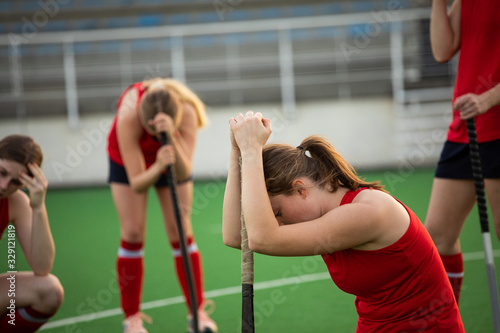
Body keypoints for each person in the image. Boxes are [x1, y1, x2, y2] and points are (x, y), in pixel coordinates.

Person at [223, 111, 465, 332]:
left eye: (277, 214)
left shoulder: (367, 212)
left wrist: (252, 150)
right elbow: (236, 236)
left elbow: (263, 239)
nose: (279, 224)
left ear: (300, 190)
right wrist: (238, 154)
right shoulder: (330, 213)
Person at [106, 77, 217, 333]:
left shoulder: (186, 111)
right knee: (132, 233)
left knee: (180, 231)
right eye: (152, 130)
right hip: (127, 162)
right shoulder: (129, 116)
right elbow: (137, 183)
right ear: (144, 122)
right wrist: (156, 166)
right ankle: (131, 318)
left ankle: (197, 312)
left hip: (171, 156)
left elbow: (184, 170)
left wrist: (170, 138)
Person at [427, 0, 500, 304]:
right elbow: (442, 51)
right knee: (438, 237)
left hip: (495, 124)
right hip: (467, 127)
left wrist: (489, 98)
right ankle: (446, 319)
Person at [0, 134, 64, 332]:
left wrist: (38, 207)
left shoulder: (15, 202)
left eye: (15, 182)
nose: (4, 186)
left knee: (50, 290)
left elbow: (42, 266)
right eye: (1, 173)